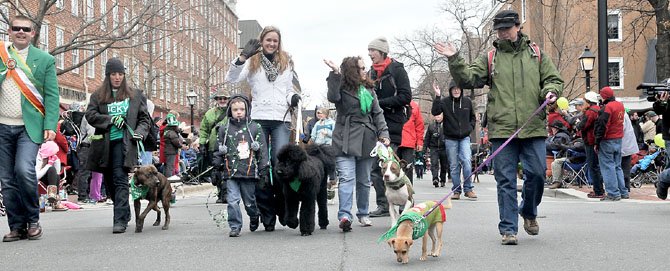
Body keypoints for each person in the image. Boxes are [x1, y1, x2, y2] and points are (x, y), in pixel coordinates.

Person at [435, 9, 563, 245]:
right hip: (502, 129)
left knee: (536, 174)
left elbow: (553, 79)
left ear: (517, 27)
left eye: (506, 28)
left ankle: (529, 211)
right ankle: (508, 229)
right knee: (505, 179)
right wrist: (454, 58)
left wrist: (551, 91)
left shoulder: (536, 54)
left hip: (532, 126)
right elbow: (469, 79)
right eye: (499, 29)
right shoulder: (490, 57)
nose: (502, 33)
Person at [226, 26, 300, 231]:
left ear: (279, 42)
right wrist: (242, 57)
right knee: (261, 166)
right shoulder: (253, 61)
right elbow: (231, 78)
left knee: (280, 165)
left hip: (281, 118)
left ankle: (285, 209)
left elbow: (287, 89)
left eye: (275, 41)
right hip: (259, 118)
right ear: (262, 40)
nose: (271, 44)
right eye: (268, 40)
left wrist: (292, 97)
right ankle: (266, 213)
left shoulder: (286, 61)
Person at [1, 15, 60, 242]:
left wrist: (50, 126)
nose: (21, 32)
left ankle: (33, 220)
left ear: (33, 33)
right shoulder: (1, 54)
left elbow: (52, 96)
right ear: (9, 31)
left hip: (29, 127)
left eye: (25, 29)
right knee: (6, 180)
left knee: (24, 171)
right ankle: (17, 226)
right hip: (2, 125)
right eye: (16, 28)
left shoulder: (44, 59)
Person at [324, 56, 390, 232]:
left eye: (364, 67)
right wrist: (335, 73)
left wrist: (384, 134)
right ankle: (345, 215)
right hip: (344, 138)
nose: (365, 70)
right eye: (361, 68)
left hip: (367, 139)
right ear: (353, 71)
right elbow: (332, 96)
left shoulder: (369, 89)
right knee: (346, 178)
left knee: (364, 180)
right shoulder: (341, 87)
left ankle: (363, 213)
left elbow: (378, 113)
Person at [85, 58, 151, 234]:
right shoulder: (98, 96)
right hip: (104, 145)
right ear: (108, 75)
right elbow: (90, 115)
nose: (117, 77)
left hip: (125, 144)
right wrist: (110, 120)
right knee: (110, 182)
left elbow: (145, 119)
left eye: (120, 74)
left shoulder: (135, 95)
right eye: (113, 74)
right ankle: (124, 211)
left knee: (120, 178)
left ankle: (119, 220)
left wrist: (139, 132)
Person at [366, 36, 412, 218]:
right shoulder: (370, 73)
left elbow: (406, 96)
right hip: (374, 125)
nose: (370, 54)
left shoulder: (397, 70)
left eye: (373, 51)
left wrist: (380, 103)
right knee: (376, 168)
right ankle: (384, 204)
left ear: (382, 52)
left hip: (392, 124)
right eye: (369, 50)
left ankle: (405, 202)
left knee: (390, 166)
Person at [212, 95, 268, 237]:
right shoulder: (224, 129)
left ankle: (254, 215)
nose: (238, 112)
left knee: (249, 201)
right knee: (232, 200)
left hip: (248, 171)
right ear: (230, 111)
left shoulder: (255, 127)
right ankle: (235, 226)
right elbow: (218, 148)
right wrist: (216, 166)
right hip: (230, 171)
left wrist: (263, 169)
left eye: (242, 109)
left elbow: (262, 149)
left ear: (247, 110)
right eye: (235, 109)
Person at [431, 80, 477, 200]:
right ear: (451, 90)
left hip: (464, 137)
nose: (456, 90)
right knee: (454, 166)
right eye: (454, 89)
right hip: (450, 138)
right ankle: (456, 190)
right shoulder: (445, 102)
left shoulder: (467, 102)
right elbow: (435, 112)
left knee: (467, 161)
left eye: (458, 88)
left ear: (461, 90)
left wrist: (470, 128)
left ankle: (468, 189)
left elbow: (473, 117)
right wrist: (437, 96)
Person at [594, 86, 627, 201]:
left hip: (608, 139)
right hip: (618, 138)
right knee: (617, 166)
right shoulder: (620, 105)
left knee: (608, 166)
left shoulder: (607, 108)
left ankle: (613, 193)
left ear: (603, 96)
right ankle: (623, 191)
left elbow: (602, 125)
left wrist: (597, 142)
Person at [198, 89, 230, 204]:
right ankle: (220, 192)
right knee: (216, 170)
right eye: (220, 98)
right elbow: (204, 129)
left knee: (227, 169)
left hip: (228, 145)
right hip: (213, 145)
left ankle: (227, 193)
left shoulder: (232, 112)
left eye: (225, 98)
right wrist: (202, 143)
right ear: (216, 100)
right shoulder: (210, 113)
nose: (222, 100)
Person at [578, 91, 605, 198]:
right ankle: (599, 189)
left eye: (584, 101)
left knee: (593, 166)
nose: (583, 103)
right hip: (596, 141)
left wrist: (578, 125)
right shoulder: (598, 110)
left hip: (590, 141)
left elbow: (583, 125)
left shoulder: (590, 112)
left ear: (588, 102)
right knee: (597, 166)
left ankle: (598, 190)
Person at [36, 141, 68, 211]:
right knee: (51, 169)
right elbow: (37, 175)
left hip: (50, 180)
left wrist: (56, 160)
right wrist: (48, 165)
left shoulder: (51, 158)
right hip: (38, 178)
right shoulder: (38, 158)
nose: (55, 154)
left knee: (56, 174)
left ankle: (53, 196)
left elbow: (57, 172)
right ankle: (55, 199)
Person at [398, 100, 424, 184]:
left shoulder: (414, 106)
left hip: (408, 142)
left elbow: (419, 125)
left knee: (408, 168)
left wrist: (419, 142)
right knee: (393, 168)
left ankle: (408, 191)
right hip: (394, 140)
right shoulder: (393, 102)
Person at [546, 121, 574, 189]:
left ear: (556, 129)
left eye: (553, 128)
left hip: (565, 156)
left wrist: (544, 144)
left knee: (555, 163)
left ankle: (557, 182)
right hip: (565, 155)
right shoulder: (561, 135)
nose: (552, 129)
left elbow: (556, 147)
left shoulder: (560, 136)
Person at [424, 113, 449, 188]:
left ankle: (443, 179)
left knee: (444, 165)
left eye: (439, 115)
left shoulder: (446, 125)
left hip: (444, 147)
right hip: (434, 147)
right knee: (434, 163)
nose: (437, 116)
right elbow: (427, 138)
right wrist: (424, 148)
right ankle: (435, 179)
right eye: (436, 115)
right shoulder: (431, 126)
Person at [162, 113, 182, 179]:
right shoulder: (172, 133)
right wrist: (181, 145)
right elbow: (176, 142)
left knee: (168, 165)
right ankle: (169, 178)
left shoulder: (167, 131)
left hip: (168, 151)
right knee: (170, 166)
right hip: (171, 151)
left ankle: (166, 177)